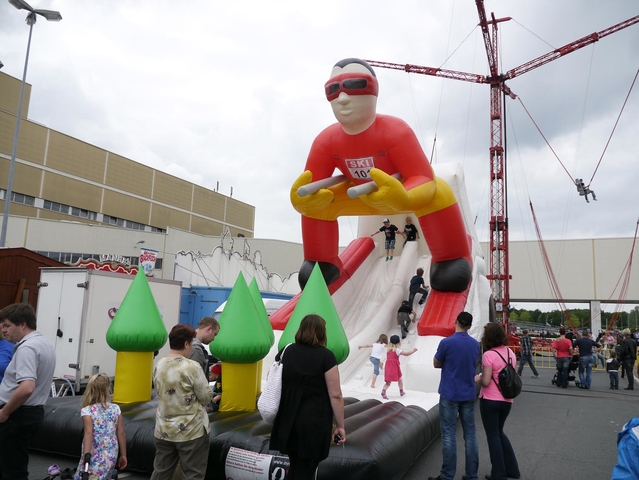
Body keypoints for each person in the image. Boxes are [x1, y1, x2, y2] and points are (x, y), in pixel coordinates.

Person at [290, 58, 473, 334]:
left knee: (440, 192)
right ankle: (321, 262)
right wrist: (302, 201)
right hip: (357, 192)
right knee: (318, 203)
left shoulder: (395, 131)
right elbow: (313, 184)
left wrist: (405, 199)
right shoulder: (326, 141)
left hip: (399, 190)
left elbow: (423, 178)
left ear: (374, 91)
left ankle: (450, 258)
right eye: (332, 89)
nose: (342, 97)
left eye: (353, 85)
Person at [270, 314, 345, 480]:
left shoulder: (286, 351)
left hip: (288, 420)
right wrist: (340, 425)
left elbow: (273, 376)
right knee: (305, 471)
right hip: (313, 424)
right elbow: (336, 395)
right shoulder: (326, 357)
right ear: (321, 333)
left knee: (295, 466)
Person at [0, 303, 56, 480]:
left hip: (17, 415)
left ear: (23, 324)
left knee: (11, 469)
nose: (3, 330)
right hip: (32, 412)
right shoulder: (44, 344)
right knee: (14, 463)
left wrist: (4, 412)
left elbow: (26, 387)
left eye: (7, 326)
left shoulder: (27, 348)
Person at [151, 324, 213, 480]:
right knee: (193, 474)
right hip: (191, 430)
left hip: (163, 429)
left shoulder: (160, 365)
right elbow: (205, 397)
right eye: (191, 343)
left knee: (161, 471)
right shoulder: (192, 367)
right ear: (186, 343)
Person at [429, 312, 479, 480]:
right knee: (470, 434)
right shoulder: (475, 344)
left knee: (449, 434)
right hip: (468, 393)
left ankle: (447, 475)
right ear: (470, 326)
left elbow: (436, 363)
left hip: (450, 393)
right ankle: (472, 475)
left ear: (455, 322)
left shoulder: (447, 342)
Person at [474, 322, 521, 480]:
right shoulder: (510, 353)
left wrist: (477, 378)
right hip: (507, 400)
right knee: (500, 433)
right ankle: (512, 469)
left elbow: (486, 381)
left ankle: (499, 474)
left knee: (493, 435)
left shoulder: (489, 355)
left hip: (490, 400)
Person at [73, 373, 127, 480]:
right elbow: (121, 432)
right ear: (108, 389)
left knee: (89, 476)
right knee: (105, 475)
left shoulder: (87, 411)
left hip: (94, 451)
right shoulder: (115, 409)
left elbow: (88, 433)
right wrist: (123, 454)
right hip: (111, 451)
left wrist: (86, 456)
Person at [381, 335, 418, 400]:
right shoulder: (398, 350)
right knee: (400, 379)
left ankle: (383, 391)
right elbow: (406, 354)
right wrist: (413, 351)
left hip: (388, 367)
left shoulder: (388, 350)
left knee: (388, 382)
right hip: (395, 367)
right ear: (398, 343)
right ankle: (401, 391)